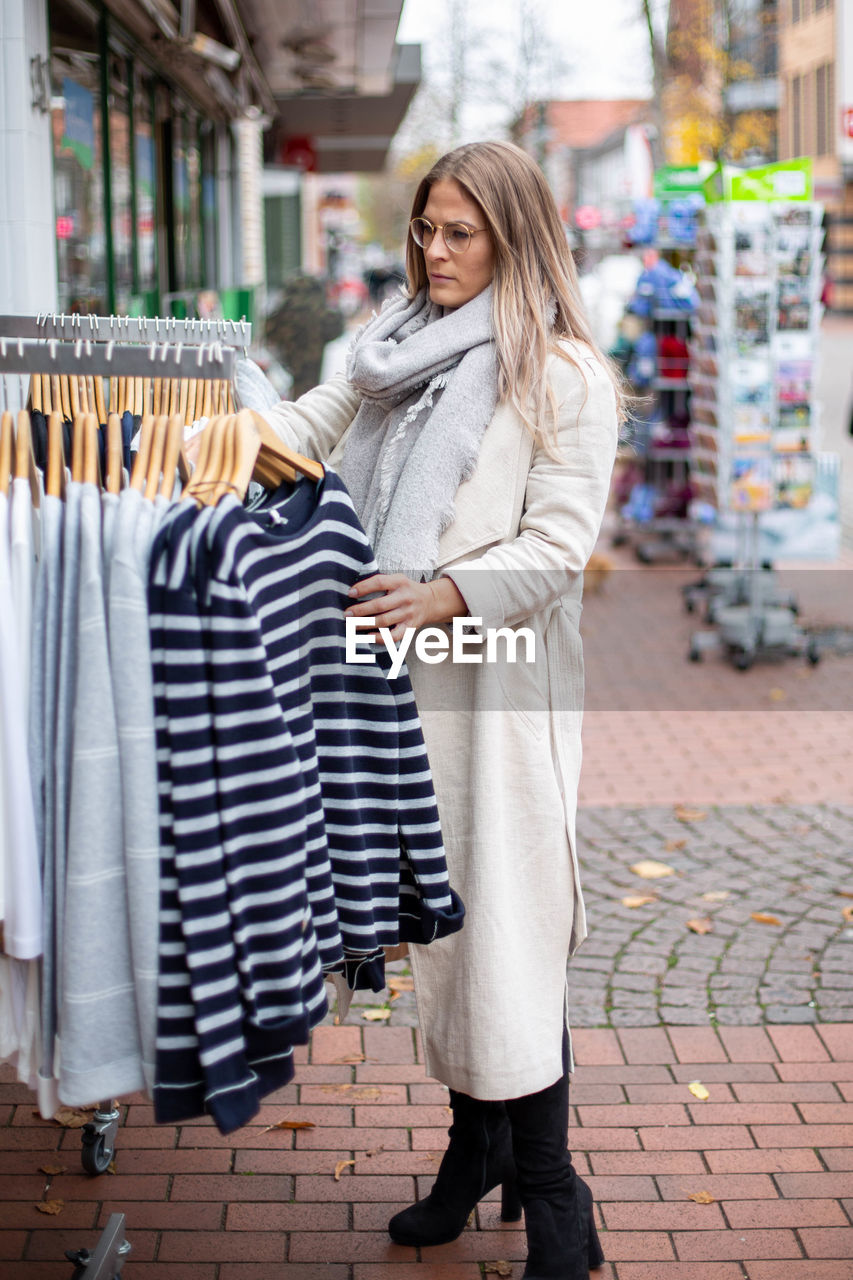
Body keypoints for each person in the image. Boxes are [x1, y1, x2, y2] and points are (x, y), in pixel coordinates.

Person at [261, 139, 622, 1280]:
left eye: (458, 230)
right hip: (398, 684)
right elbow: (311, 423)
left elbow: (560, 543)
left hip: (498, 681)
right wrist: (201, 438)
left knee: (506, 932)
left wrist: (446, 590)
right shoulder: (390, 347)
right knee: (446, 927)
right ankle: (473, 1151)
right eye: (425, 227)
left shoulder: (562, 370)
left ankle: (556, 1193)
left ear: (513, 233)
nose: (433, 249)